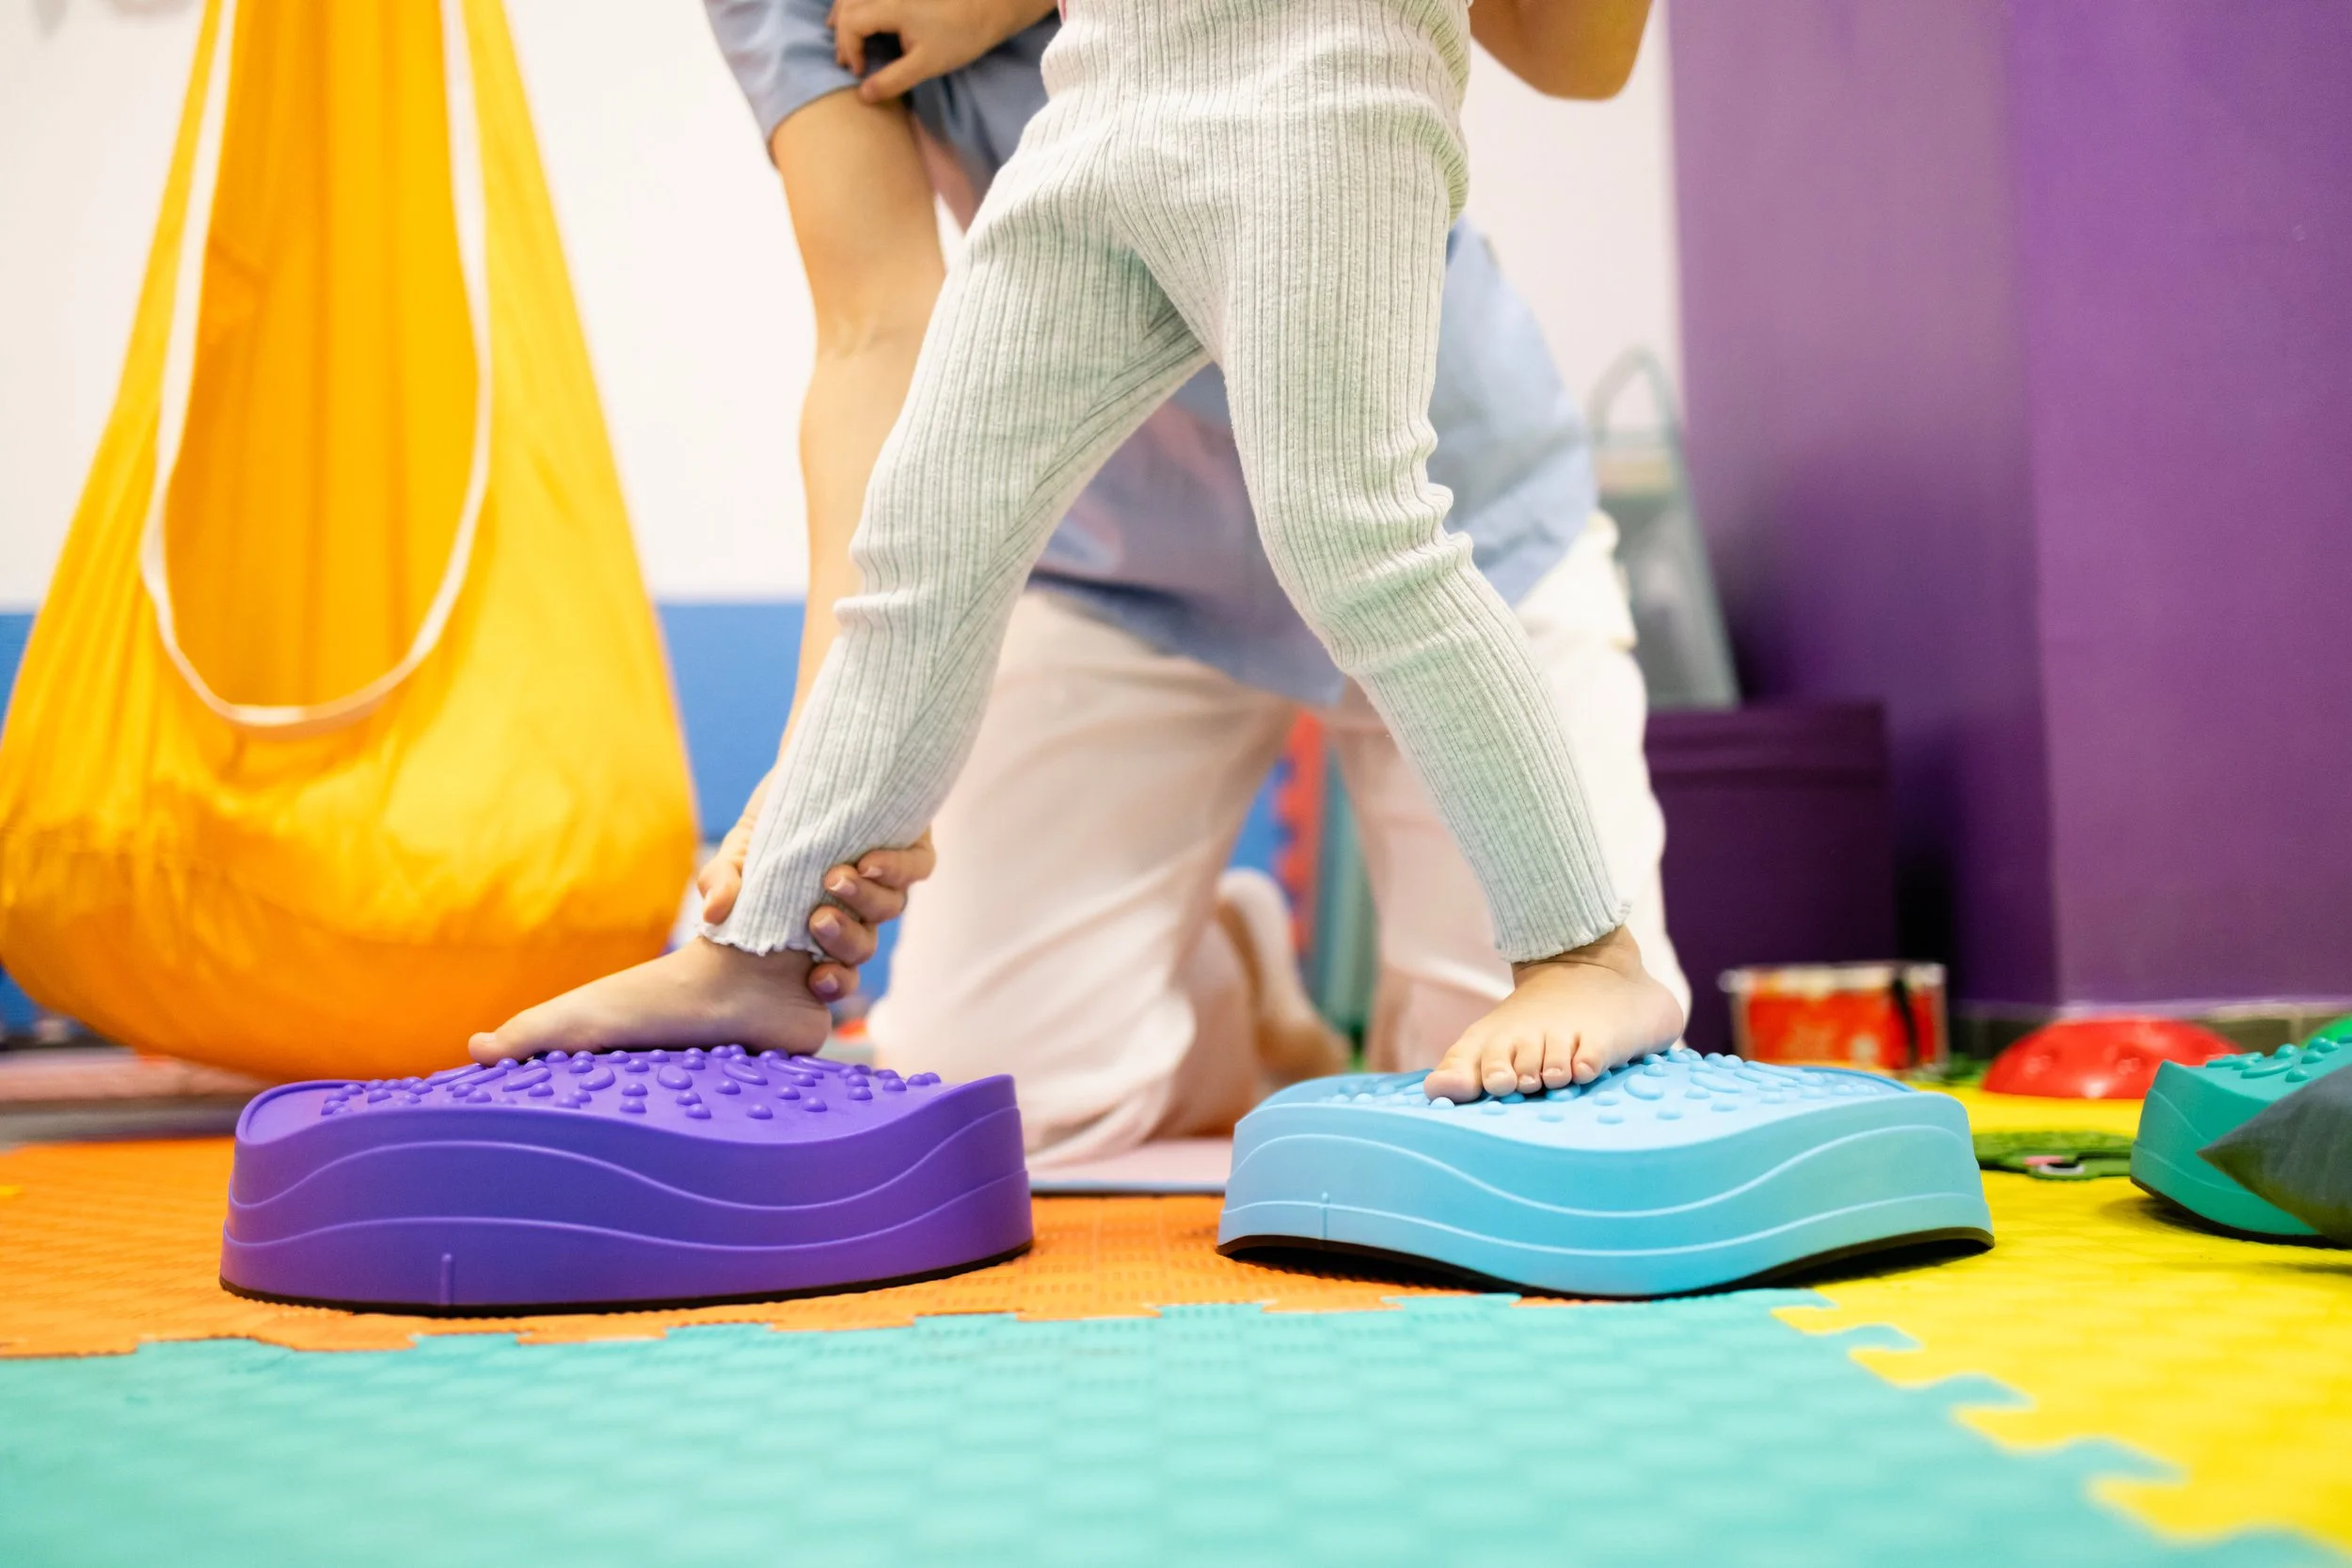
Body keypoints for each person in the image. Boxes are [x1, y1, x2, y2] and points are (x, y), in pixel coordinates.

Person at [469, 0, 1688, 1145]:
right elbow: (876, 326)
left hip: (1323, 77)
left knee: (1356, 536)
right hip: (1111, 105)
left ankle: (1582, 950)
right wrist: (810, 801)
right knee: (931, 532)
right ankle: (769, 958)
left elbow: (1586, 55)